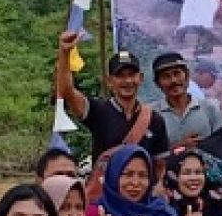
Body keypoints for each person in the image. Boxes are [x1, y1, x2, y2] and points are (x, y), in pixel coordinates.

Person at [56, 34, 170, 162]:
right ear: (109, 81)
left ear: (141, 78)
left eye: (132, 75)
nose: (127, 81)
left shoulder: (155, 119)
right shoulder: (97, 111)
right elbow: (66, 91)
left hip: (141, 182)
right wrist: (65, 53)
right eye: (120, 76)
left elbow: (160, 164)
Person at [151, 51, 222, 149]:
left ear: (187, 76)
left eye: (177, 74)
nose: (174, 80)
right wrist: (179, 147)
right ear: (157, 83)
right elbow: (148, 155)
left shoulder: (210, 109)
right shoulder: (150, 114)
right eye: (166, 76)